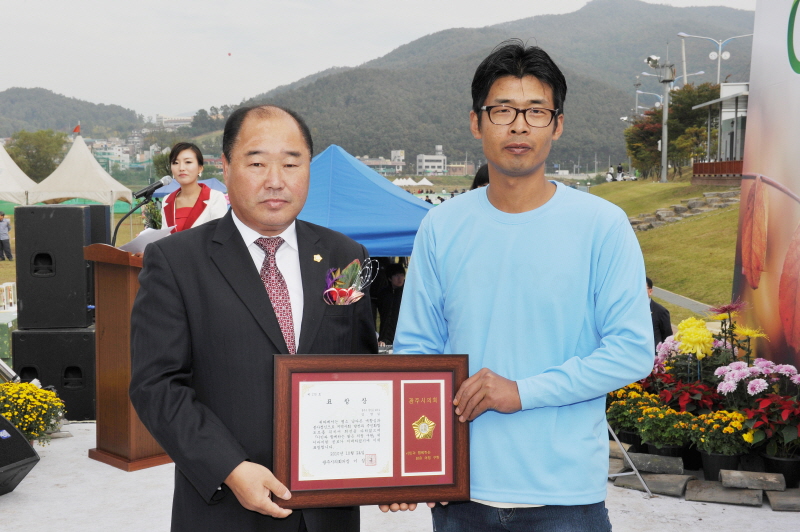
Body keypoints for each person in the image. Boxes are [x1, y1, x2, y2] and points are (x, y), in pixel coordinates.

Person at [387, 40, 653, 530]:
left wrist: (522, 392)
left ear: (558, 124)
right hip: (462, 493)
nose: (518, 125)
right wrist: (409, 466)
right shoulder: (442, 226)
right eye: (503, 109)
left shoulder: (601, 224)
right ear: (476, 121)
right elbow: (416, 353)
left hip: (566, 498)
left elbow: (631, 351)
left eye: (535, 111)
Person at [129, 105, 378, 532]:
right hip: (225, 508)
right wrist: (230, 467)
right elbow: (157, 386)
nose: (276, 180)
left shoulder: (344, 255)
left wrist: (395, 465)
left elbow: (363, 370)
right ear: (226, 168)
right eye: (258, 162)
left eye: (291, 163)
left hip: (328, 510)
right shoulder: (175, 261)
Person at [160, 142, 228, 233]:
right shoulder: (167, 200)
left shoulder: (215, 198)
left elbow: (220, 235)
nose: (181, 168)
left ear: (200, 168)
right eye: (175, 163)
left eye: (188, 162)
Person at [376, 262, 405, 346]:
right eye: (396, 275)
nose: (400, 278)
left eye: (402, 275)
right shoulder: (383, 293)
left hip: (403, 337)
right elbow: (383, 316)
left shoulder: (407, 292)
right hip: (385, 338)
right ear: (389, 278)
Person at [647, 277, 672, 348]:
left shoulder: (661, 311)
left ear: (650, 291)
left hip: (654, 355)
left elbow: (667, 338)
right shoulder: (629, 309)